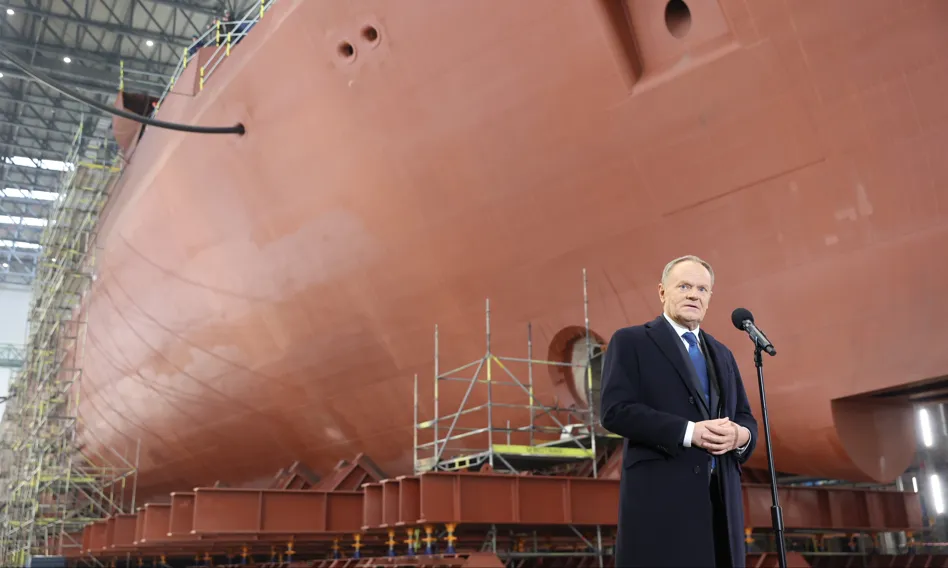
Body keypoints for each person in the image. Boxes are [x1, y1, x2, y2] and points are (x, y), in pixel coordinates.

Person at [599, 255, 758, 567]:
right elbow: (615, 410)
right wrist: (688, 432)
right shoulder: (631, 341)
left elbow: (744, 415)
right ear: (662, 292)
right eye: (684, 286)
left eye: (702, 289)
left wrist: (740, 436)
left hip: (721, 503)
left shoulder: (723, 353)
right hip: (661, 504)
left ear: (709, 298)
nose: (693, 295)